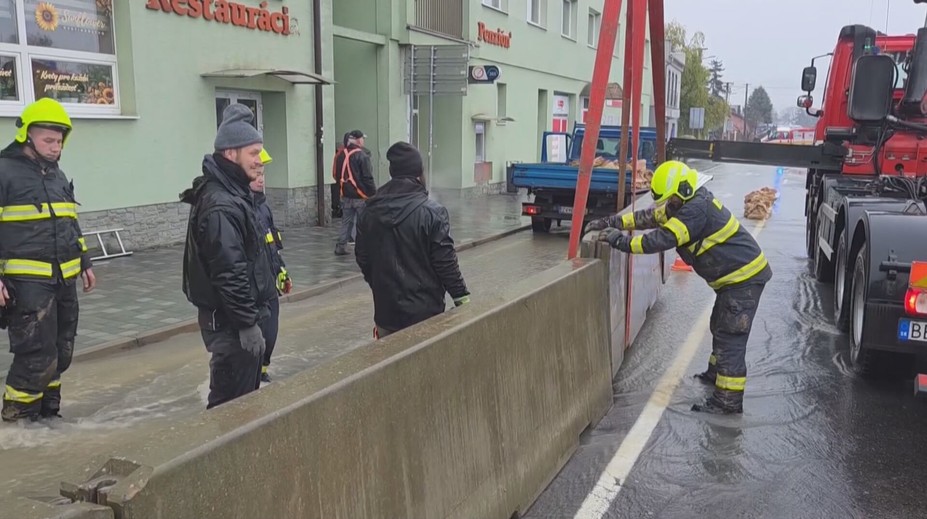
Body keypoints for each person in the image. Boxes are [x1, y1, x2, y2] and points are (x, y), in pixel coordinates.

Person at [587, 160, 772, 415]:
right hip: (734, 279)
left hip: (743, 279)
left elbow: (663, 238)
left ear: (683, 189)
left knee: (731, 335)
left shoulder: (694, 210)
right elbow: (649, 217)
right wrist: (612, 221)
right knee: (720, 323)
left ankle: (727, 402)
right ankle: (716, 373)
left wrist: (622, 242)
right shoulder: (683, 202)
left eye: (670, 199)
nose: (667, 205)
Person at [0, 98, 96, 422]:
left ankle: (48, 417)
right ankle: (19, 426)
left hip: (62, 280)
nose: (56, 148)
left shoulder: (56, 175)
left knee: (60, 350)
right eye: (48, 140)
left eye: (59, 141)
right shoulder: (4, 171)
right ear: (27, 135)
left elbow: (69, 220)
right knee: (36, 355)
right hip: (27, 284)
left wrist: (84, 260)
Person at [180, 104, 277, 409]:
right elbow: (229, 270)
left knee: (243, 405)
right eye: (254, 153)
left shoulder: (235, 193)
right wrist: (248, 324)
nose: (260, 160)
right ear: (230, 154)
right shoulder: (221, 204)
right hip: (231, 326)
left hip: (238, 320)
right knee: (229, 410)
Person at [355, 141, 470, 339]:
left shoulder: (368, 211)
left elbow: (363, 259)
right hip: (426, 318)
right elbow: (445, 263)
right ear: (418, 174)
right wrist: (463, 299)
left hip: (386, 317)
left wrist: (382, 286)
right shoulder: (433, 213)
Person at [251, 148, 292, 383]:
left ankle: (263, 370)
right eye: (256, 172)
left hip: (269, 283)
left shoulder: (263, 207)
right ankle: (253, 374)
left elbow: (272, 244)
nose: (261, 178)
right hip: (254, 288)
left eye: (263, 173)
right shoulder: (241, 208)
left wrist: (281, 271)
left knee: (271, 331)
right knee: (257, 333)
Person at [335, 130, 376, 256]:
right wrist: (373, 194)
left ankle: (341, 246)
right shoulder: (362, 156)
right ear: (358, 140)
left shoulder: (341, 154)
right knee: (363, 222)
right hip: (360, 196)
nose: (363, 141)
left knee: (346, 222)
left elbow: (337, 174)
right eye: (362, 139)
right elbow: (367, 177)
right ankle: (363, 248)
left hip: (346, 195)